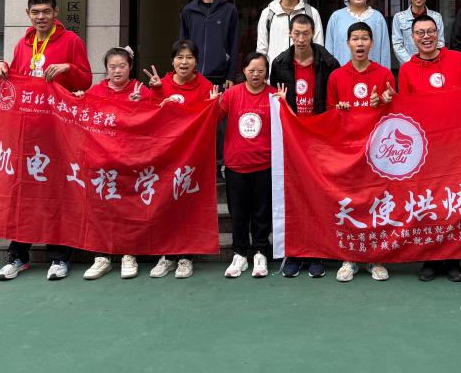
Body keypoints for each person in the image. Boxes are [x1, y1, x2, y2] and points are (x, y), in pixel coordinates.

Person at [0, 0, 92, 282]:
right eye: (35, 12)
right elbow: (15, 80)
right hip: (28, 130)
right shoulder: (23, 44)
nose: (41, 17)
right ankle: (18, 256)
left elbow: (86, 79)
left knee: (58, 192)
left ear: (56, 12)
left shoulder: (71, 40)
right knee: (23, 192)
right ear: (28, 14)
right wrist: (2, 66)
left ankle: (60, 257)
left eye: (46, 11)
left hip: (59, 130)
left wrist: (68, 68)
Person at [398, 15, 461, 283]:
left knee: (453, 202)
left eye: (430, 31)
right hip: (425, 149)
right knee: (427, 203)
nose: (426, 37)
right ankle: (429, 258)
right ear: (412, 38)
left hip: (456, 146)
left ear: (438, 33)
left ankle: (453, 259)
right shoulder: (407, 70)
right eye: (420, 33)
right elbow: (404, 110)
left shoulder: (456, 59)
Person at [269, 14, 339, 278]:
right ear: (290, 33)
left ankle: (317, 251)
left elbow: (333, 99)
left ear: (313, 34)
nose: (301, 39)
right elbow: (276, 101)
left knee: (318, 194)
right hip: (293, 138)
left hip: (320, 137)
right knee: (294, 194)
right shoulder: (279, 64)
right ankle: (295, 253)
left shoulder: (328, 62)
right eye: (296, 33)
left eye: (305, 33)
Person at [328, 21, 396, 283]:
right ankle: (349, 258)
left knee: (376, 202)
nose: (360, 43)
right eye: (355, 38)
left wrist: (386, 102)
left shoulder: (384, 74)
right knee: (349, 203)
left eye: (365, 38)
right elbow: (329, 114)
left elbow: (395, 111)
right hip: (347, 151)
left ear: (372, 43)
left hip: (377, 153)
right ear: (347, 43)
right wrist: (340, 109)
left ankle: (375, 258)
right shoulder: (337, 76)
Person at [143, 39, 215, 279]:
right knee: (164, 204)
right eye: (179, 57)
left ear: (197, 61)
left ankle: (185, 257)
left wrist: (214, 105)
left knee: (187, 207)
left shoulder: (205, 86)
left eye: (189, 58)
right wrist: (157, 94)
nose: (184, 62)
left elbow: (210, 120)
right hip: (165, 156)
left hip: (192, 156)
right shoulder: (161, 84)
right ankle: (166, 256)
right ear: (172, 61)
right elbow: (149, 118)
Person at [79, 47, 152, 280]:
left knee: (129, 208)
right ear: (106, 69)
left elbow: (156, 120)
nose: (117, 70)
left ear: (130, 67)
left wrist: (142, 104)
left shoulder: (141, 90)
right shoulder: (95, 92)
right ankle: (102, 257)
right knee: (102, 209)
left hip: (131, 161)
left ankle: (129, 254)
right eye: (112, 66)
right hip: (101, 162)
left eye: (122, 66)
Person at [219, 52, 280, 279]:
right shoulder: (232, 94)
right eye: (251, 70)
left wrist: (284, 105)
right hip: (236, 165)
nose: (256, 75)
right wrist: (211, 103)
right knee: (238, 212)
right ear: (243, 70)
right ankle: (240, 253)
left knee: (262, 212)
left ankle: (261, 251)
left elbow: (285, 125)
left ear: (267, 73)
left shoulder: (274, 95)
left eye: (261, 71)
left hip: (264, 165)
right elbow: (215, 117)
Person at [179, 0, 239, 89]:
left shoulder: (229, 10)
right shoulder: (189, 10)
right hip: (193, 75)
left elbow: (234, 44)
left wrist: (231, 75)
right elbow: (183, 44)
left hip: (220, 77)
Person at [256, 0, 324, 63]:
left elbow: (318, 45)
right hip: (275, 69)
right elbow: (262, 47)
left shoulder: (311, 12)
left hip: (304, 67)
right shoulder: (268, 13)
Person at [325, 0, 391, 68]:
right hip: (342, 72)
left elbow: (384, 51)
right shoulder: (336, 17)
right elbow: (329, 49)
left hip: (372, 73)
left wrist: (385, 73)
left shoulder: (378, 18)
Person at [392, 0, 445, 66]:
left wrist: (431, 62)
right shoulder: (399, 18)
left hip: (432, 65)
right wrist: (413, 64)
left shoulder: (436, 17)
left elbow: (440, 43)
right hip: (409, 66)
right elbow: (397, 45)